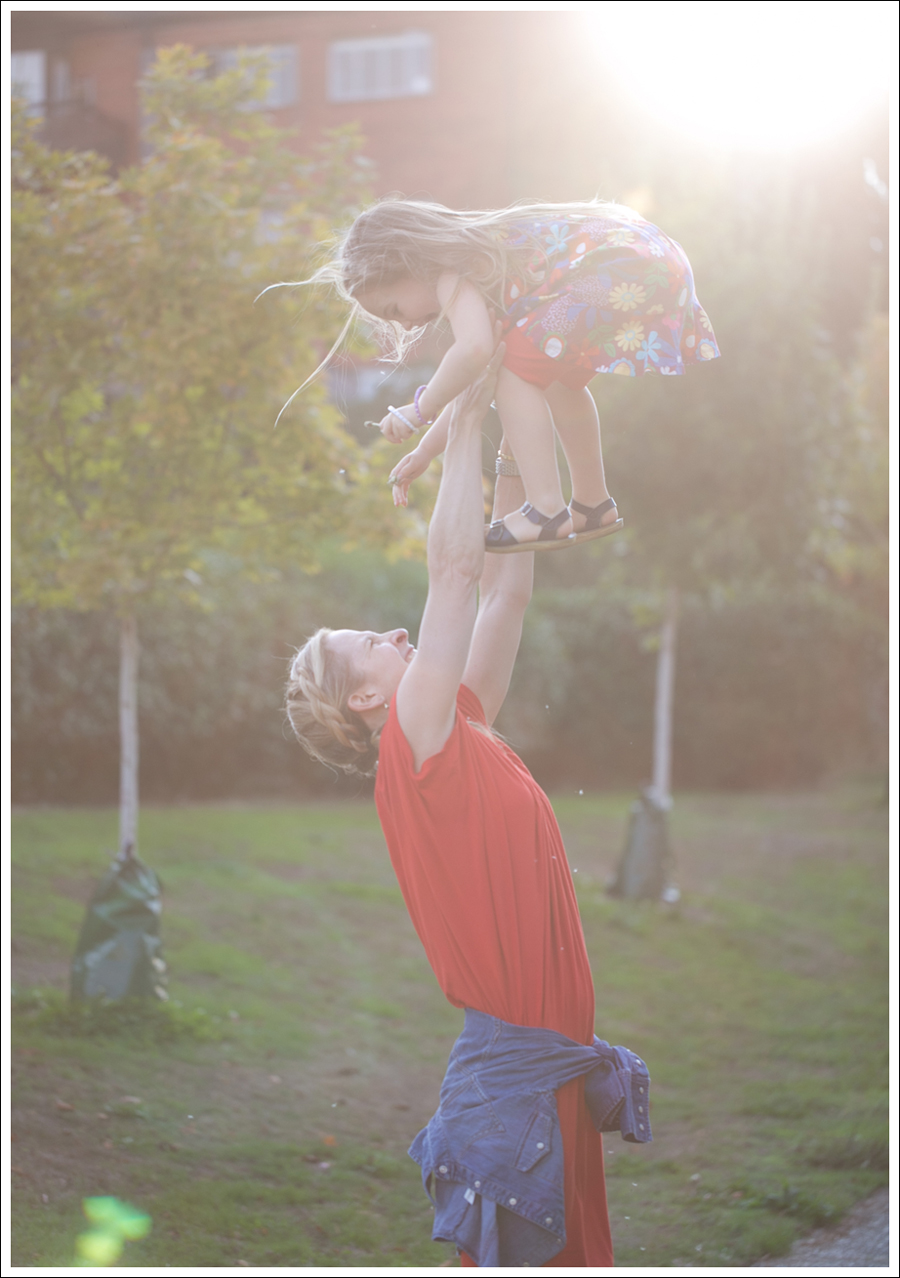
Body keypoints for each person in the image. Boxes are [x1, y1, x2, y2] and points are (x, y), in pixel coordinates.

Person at [285, 345, 647, 1267]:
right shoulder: (413, 747)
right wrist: (465, 412)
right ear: (366, 699)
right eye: (371, 641)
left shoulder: (458, 724)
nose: (393, 630)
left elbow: (505, 589)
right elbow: (452, 576)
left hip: (547, 1035)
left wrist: (512, 445)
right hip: (526, 1045)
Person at [298, 197, 719, 550]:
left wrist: (417, 410)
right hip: (648, 261)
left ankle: (546, 510)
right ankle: (592, 505)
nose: (405, 325)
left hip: (618, 269)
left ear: (407, 262)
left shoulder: (449, 272)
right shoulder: (484, 267)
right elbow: (479, 372)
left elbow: (475, 353)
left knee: (516, 374)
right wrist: (425, 451)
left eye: (394, 309)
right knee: (554, 382)